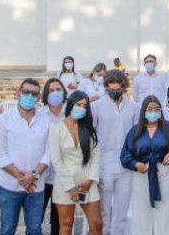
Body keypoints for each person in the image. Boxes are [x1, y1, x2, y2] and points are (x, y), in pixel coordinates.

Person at [0, 78, 50, 235]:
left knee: (34, 229)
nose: (29, 96)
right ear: (18, 93)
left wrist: (34, 175)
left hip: (36, 186)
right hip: (9, 185)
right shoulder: (4, 119)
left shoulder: (46, 121)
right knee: (7, 228)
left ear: (38, 98)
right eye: (26, 92)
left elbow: (49, 153)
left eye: (34, 93)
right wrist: (24, 179)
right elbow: (0, 153)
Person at [122, 96, 169, 234]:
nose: (153, 112)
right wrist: (136, 164)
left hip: (165, 173)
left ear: (161, 111)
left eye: (156, 109)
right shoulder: (136, 130)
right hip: (142, 173)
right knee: (141, 212)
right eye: (150, 109)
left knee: (165, 212)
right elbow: (125, 154)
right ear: (144, 111)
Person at [48, 91, 103, 234]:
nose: (82, 108)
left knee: (97, 224)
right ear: (71, 104)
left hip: (87, 181)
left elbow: (96, 155)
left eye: (85, 106)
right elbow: (56, 160)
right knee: (66, 225)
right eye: (79, 104)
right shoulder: (57, 128)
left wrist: (90, 179)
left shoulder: (89, 129)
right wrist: (70, 187)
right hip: (65, 182)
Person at [91, 69, 138, 235]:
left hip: (126, 166)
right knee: (104, 212)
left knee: (122, 212)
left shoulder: (133, 107)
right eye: (111, 90)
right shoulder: (96, 107)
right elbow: (91, 138)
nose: (114, 93)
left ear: (124, 88)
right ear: (106, 87)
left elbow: (136, 135)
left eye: (118, 90)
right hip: (104, 165)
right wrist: (94, 169)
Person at [40, 78, 68, 234]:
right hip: (43, 175)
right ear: (45, 94)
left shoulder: (70, 114)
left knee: (59, 221)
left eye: (58, 89)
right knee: (36, 217)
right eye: (51, 90)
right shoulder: (39, 115)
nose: (55, 93)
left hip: (62, 176)